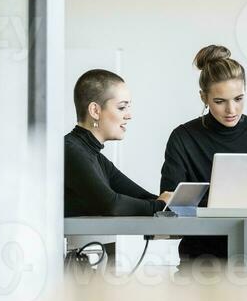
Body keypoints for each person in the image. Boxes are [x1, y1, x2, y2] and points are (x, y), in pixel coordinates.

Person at [161, 45, 247, 259]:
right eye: (220, 102)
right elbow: (172, 204)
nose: (231, 110)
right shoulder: (183, 138)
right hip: (201, 255)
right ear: (203, 98)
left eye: (238, 99)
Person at [65, 69, 172, 217]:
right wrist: (160, 205)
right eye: (122, 107)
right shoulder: (70, 151)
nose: (129, 115)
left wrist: (168, 202)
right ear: (95, 111)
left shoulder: (96, 157)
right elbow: (112, 205)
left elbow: (142, 197)